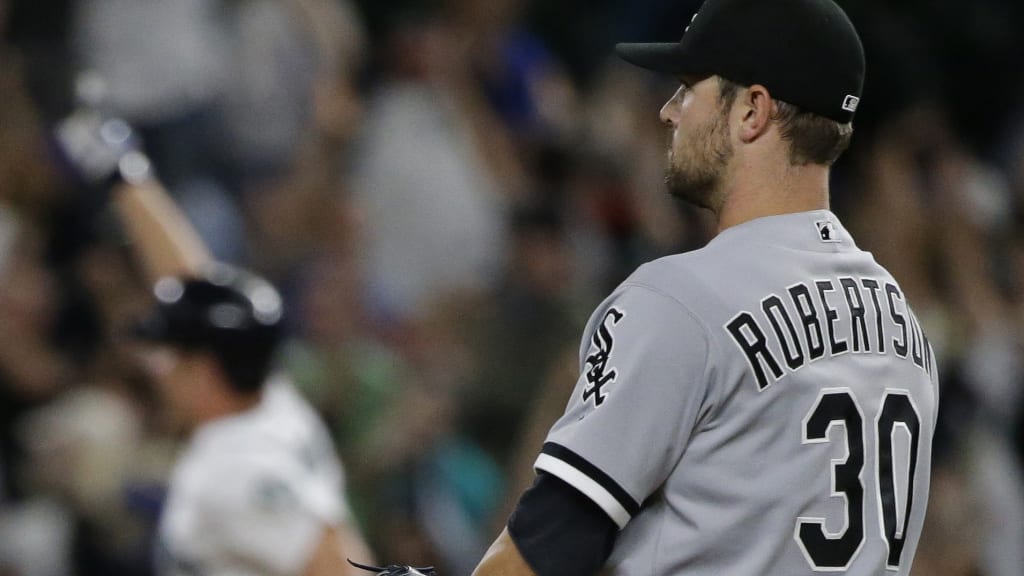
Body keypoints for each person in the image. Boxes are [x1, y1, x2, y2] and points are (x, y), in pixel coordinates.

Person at [471, 0, 938, 575]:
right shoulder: (902, 326)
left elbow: (543, 552)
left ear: (752, 111)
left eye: (690, 88)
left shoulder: (680, 300)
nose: (668, 111)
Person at [54, 103, 375, 576]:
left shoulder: (240, 469)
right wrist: (126, 179)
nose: (157, 368)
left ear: (204, 370)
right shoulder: (271, 404)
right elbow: (195, 283)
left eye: (172, 358)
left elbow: (340, 566)